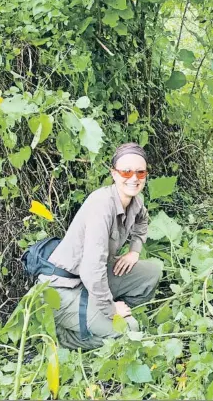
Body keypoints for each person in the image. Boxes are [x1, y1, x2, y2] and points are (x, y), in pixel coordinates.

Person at [38, 142, 162, 350]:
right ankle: (68, 336)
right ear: (114, 174)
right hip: (63, 289)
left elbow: (142, 221)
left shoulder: (135, 201)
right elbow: (91, 271)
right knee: (130, 330)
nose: (134, 178)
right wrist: (111, 310)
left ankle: (101, 317)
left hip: (91, 280)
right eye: (126, 171)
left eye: (140, 173)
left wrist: (134, 251)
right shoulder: (101, 206)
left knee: (152, 272)